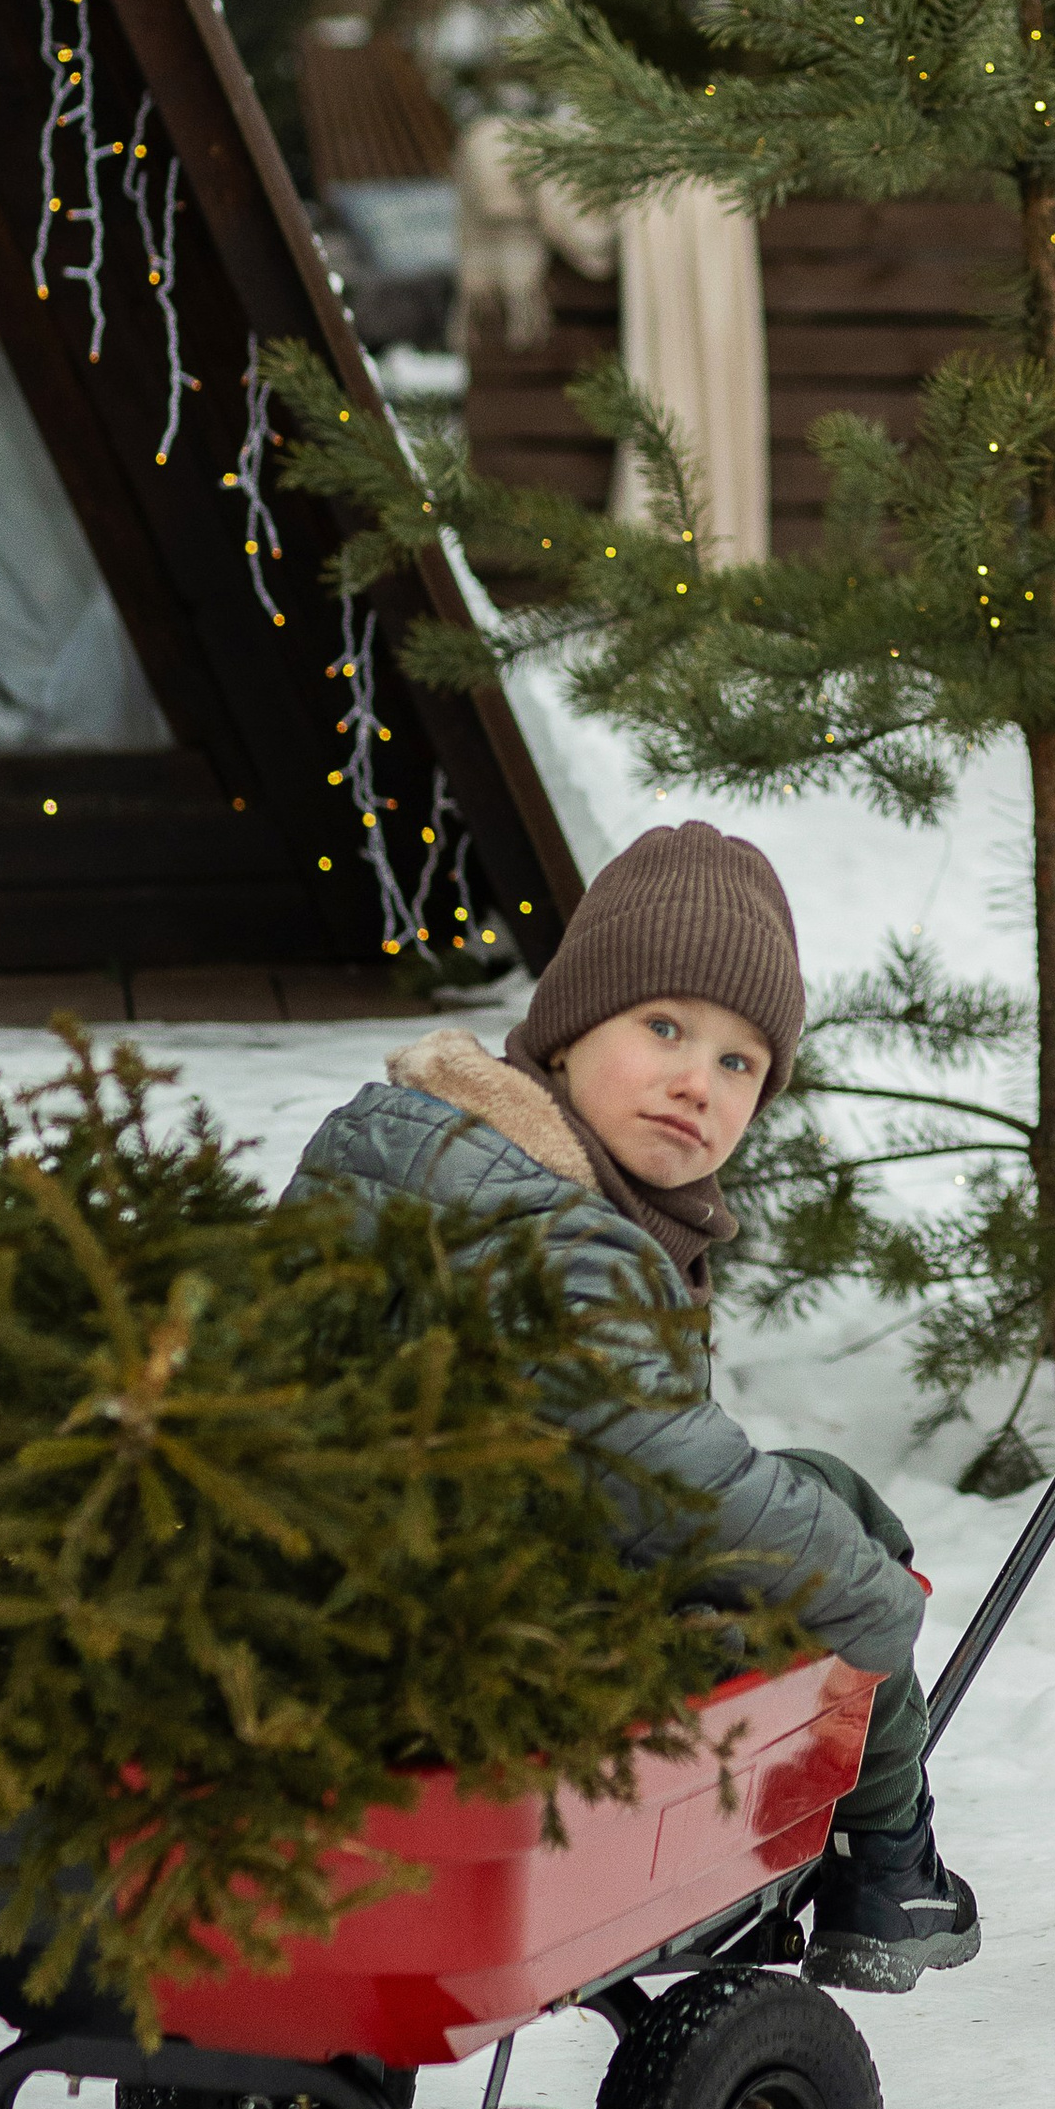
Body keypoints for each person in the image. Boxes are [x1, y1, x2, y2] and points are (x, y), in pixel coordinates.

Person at [289, 818, 978, 1996]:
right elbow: (659, 1474)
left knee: (810, 1513)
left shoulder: (421, 1151)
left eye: (739, 1063)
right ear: (569, 1028)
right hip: (477, 1643)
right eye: (663, 1027)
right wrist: (869, 1599)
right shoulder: (557, 1232)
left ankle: (882, 1846)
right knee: (838, 1530)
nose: (695, 1082)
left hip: (374, 1591)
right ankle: (885, 1858)